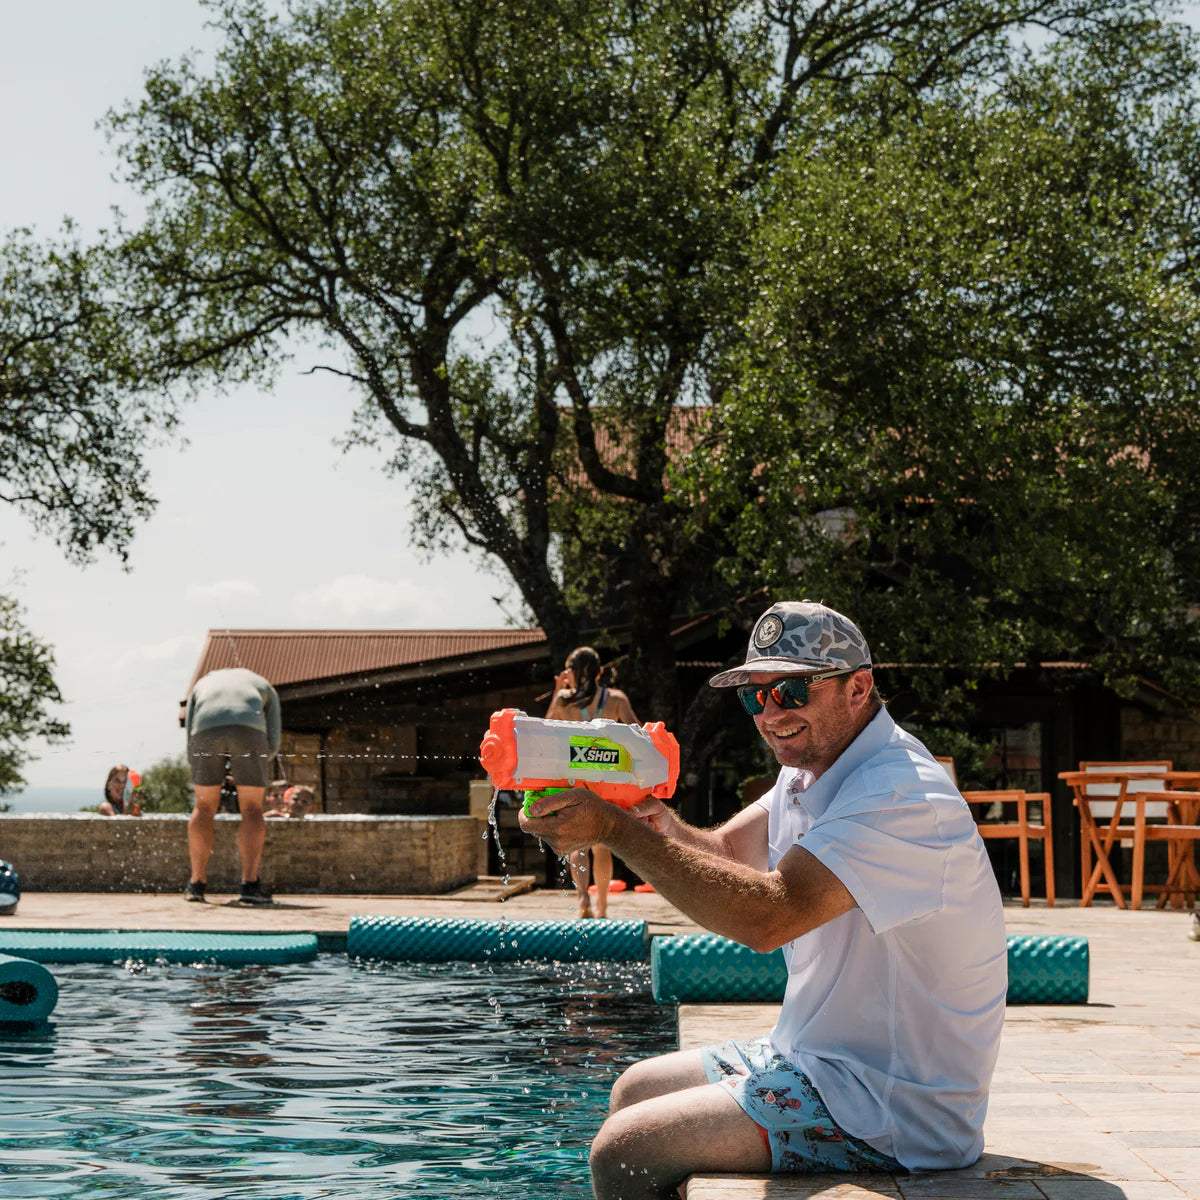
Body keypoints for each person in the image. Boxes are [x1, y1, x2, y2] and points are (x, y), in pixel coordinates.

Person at [520, 601, 1007, 1197]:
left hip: (892, 1105)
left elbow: (770, 917)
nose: (771, 713)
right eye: (755, 696)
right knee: (632, 1089)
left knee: (627, 1149)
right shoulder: (811, 770)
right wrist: (653, 824)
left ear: (859, 686)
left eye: (792, 690)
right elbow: (724, 851)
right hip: (815, 1061)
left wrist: (614, 834)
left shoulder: (900, 793)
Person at [545, 646, 639, 919]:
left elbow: (547, 726)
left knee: (578, 845)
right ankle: (603, 907)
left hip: (576, 779)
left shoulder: (564, 700)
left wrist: (559, 689)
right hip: (607, 779)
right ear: (600, 672)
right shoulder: (616, 699)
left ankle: (583, 899)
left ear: (571, 673)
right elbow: (638, 733)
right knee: (602, 845)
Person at [183, 667, 281, 906]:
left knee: (204, 806)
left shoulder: (202, 683)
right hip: (249, 727)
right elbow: (274, 737)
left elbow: (189, 729)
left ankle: (196, 884)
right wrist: (257, 760)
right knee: (252, 808)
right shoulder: (263, 683)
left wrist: (196, 759)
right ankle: (249, 885)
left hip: (205, 728)